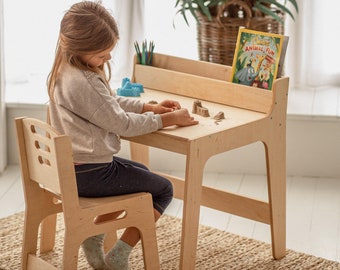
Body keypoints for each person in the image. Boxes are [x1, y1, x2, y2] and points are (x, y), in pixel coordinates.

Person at [47, 1, 198, 269]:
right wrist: (167, 119)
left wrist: (147, 106)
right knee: (162, 190)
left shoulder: (66, 71)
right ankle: (119, 255)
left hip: (73, 170)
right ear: (80, 47)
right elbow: (122, 124)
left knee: (140, 171)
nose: (107, 60)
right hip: (90, 174)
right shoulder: (84, 82)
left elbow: (109, 102)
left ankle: (94, 237)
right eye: (103, 55)